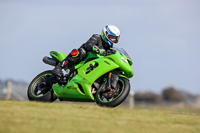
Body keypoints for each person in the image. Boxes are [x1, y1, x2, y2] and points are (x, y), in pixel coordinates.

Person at [52, 25, 120, 78]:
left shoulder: (110, 50)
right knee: (81, 52)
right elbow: (89, 44)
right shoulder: (97, 37)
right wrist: (97, 49)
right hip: (83, 59)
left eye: (115, 38)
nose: (113, 40)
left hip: (92, 66)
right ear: (105, 34)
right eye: (112, 37)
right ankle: (59, 67)